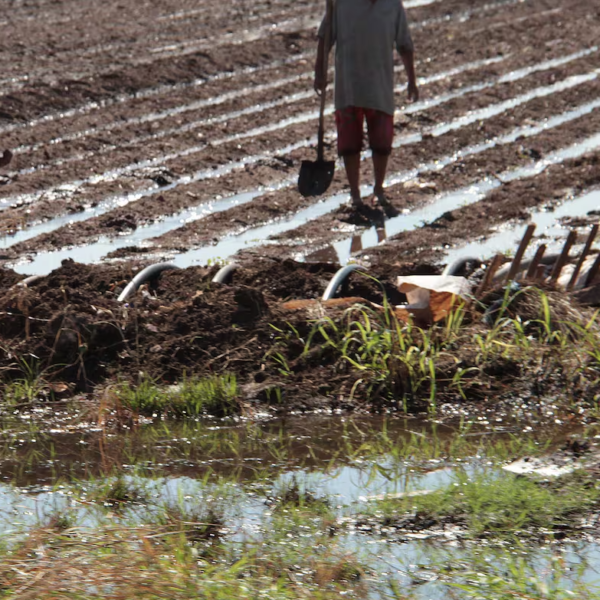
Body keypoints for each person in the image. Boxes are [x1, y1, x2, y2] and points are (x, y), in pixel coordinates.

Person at [314, 0, 418, 208]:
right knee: (350, 144)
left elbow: (404, 45)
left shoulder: (392, 6)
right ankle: (355, 194)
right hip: (348, 85)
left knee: (381, 143)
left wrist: (412, 80)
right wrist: (319, 72)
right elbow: (324, 39)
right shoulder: (341, 5)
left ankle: (378, 188)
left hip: (379, 85)